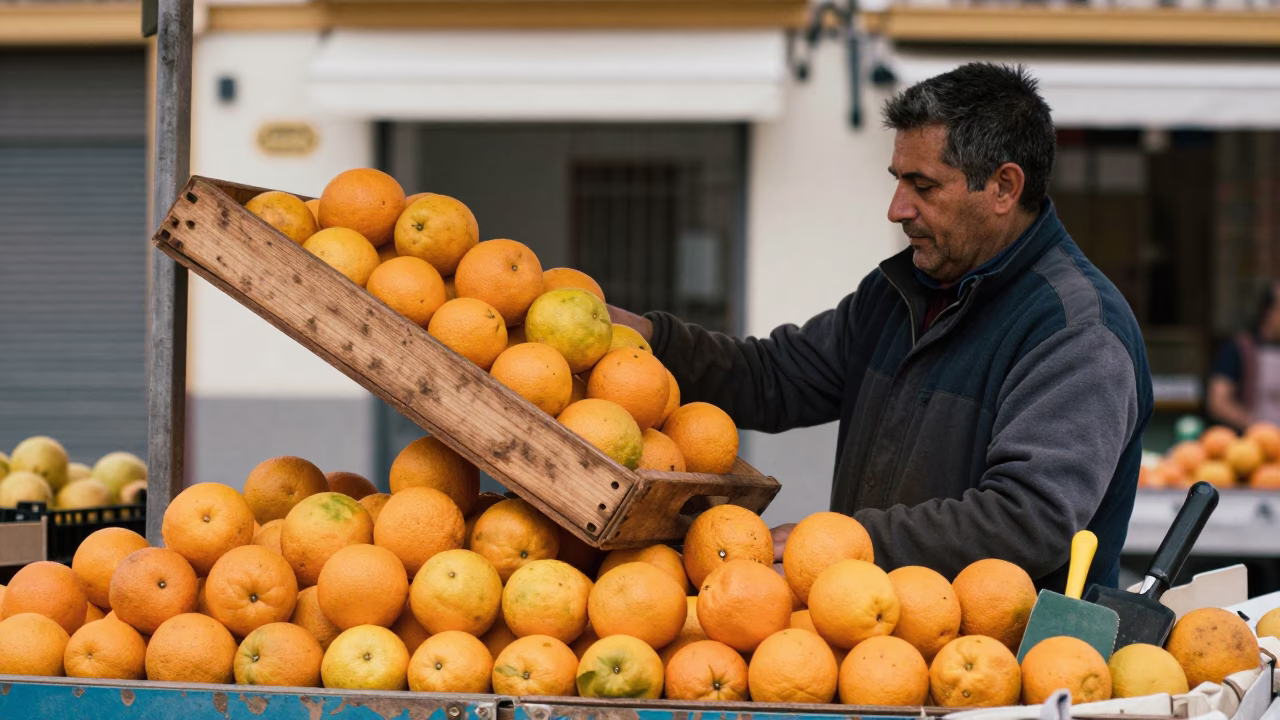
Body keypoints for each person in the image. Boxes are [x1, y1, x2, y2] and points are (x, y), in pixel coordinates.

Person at [609, 63, 1153, 591]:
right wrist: (646, 340)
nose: (896, 209)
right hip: (874, 642)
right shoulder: (900, 293)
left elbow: (1026, 519)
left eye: (924, 186)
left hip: (1008, 667)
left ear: (1004, 188)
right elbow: (772, 377)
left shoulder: (1077, 331)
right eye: (897, 181)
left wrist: (846, 540)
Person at [1207, 283, 1280, 431]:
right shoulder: (1240, 349)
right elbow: (1218, 402)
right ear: (1268, 312)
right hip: (1251, 445)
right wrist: (1258, 428)